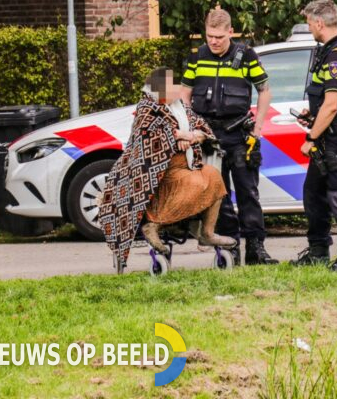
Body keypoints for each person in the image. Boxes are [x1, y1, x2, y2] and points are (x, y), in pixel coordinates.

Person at [98, 67, 236, 272]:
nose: (178, 89)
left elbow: (202, 127)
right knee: (196, 183)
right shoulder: (147, 108)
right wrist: (176, 137)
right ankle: (153, 224)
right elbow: (147, 137)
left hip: (187, 164)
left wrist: (195, 136)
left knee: (214, 177)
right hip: (161, 172)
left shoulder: (179, 106)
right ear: (159, 89)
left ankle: (207, 233)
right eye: (172, 86)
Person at [180, 8, 278, 265]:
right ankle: (229, 247)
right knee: (218, 197)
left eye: (219, 37)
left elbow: (264, 91)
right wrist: (191, 126)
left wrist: (257, 130)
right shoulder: (197, 57)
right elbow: (185, 93)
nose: (213, 41)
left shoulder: (246, 55)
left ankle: (256, 249)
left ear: (230, 32)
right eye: (209, 36)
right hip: (209, 138)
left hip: (238, 135)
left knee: (248, 194)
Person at [291, 0, 337, 272]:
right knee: (314, 194)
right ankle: (318, 251)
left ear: (319, 23)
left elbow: (334, 104)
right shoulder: (330, 49)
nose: (310, 27)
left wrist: (311, 136)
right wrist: (312, 116)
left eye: (310, 23)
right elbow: (327, 101)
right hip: (329, 132)